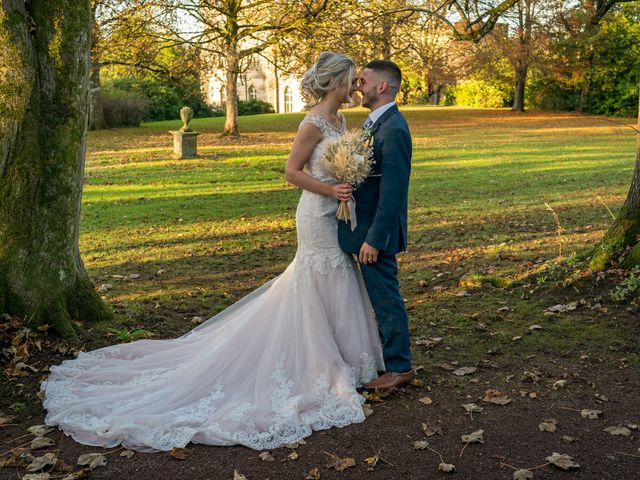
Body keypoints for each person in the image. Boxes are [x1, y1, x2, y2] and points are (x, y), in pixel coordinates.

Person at [41, 52, 384, 453]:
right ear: (334, 83)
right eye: (349, 79)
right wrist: (331, 189)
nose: (355, 85)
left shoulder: (343, 122)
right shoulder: (311, 123)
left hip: (339, 212)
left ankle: (343, 356)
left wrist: (349, 183)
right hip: (316, 212)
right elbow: (291, 172)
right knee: (317, 276)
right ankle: (316, 365)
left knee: (339, 275)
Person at [338, 60, 414, 390]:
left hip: (375, 234)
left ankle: (400, 367)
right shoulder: (375, 125)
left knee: (385, 297)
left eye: (363, 81)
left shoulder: (394, 129)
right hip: (364, 227)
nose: (358, 86)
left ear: (381, 87)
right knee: (378, 296)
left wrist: (374, 238)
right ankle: (388, 360)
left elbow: (394, 191)